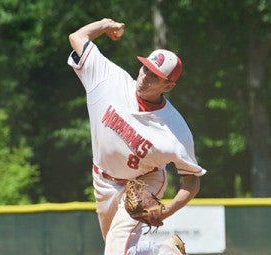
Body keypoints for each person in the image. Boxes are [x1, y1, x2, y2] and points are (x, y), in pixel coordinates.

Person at [68, 18, 207, 255]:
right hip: (102, 180)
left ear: (168, 86)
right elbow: (77, 37)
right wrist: (104, 25)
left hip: (144, 182)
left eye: (155, 76)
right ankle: (169, 251)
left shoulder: (175, 130)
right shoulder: (108, 79)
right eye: (145, 68)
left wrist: (166, 211)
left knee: (114, 250)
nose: (145, 77)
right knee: (123, 249)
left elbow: (191, 181)